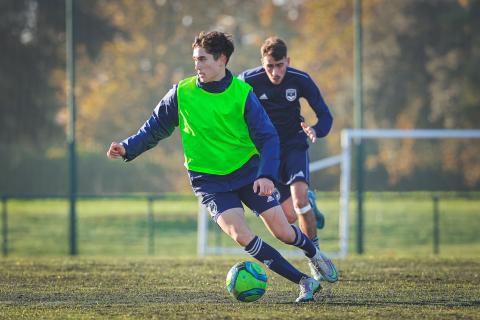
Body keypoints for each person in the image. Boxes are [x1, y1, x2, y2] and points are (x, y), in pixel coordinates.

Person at [106, 31, 337, 302]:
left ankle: (314, 253)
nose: (197, 65)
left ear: (221, 59)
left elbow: (268, 138)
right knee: (241, 235)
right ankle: (304, 282)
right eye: (195, 59)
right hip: (209, 181)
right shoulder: (182, 92)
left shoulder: (242, 93)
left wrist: (266, 175)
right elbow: (154, 128)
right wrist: (127, 147)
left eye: (202, 59)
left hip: (248, 172)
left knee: (283, 230)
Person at [238, 37, 334, 279]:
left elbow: (325, 116)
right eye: (269, 66)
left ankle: (316, 259)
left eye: (280, 65)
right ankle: (310, 202)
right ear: (262, 62)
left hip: (293, 146)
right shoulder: (247, 81)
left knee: (300, 201)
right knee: (290, 217)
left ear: (287, 61)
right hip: (266, 154)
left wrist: (315, 129)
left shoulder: (300, 79)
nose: (275, 72)